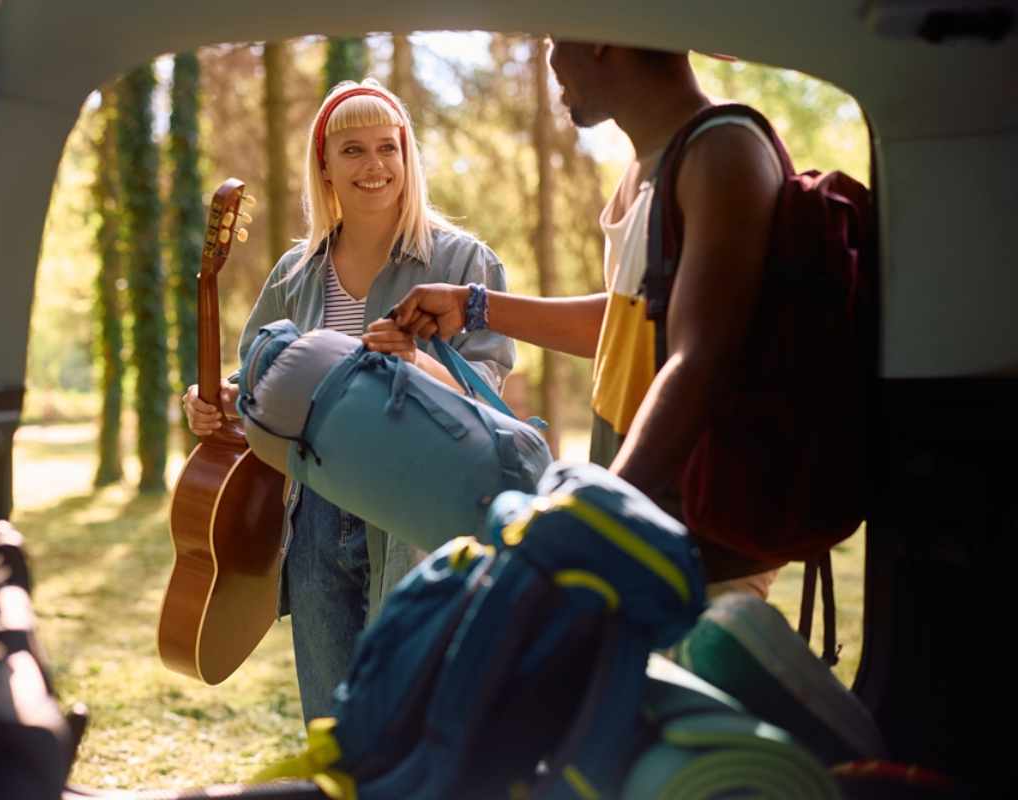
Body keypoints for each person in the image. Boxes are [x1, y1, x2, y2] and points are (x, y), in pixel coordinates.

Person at [380, 42, 785, 600]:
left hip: (700, 543)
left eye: (554, 36)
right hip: (640, 524)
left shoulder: (723, 151)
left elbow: (701, 359)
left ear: (598, 37)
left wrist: (597, 512)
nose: (550, 62)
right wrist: (474, 305)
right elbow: (623, 327)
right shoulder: (643, 171)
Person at [182, 78, 515, 723]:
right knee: (331, 717)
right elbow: (255, 386)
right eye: (353, 150)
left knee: (411, 707)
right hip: (312, 516)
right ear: (325, 167)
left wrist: (415, 361)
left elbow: (488, 394)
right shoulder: (295, 272)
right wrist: (210, 401)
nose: (374, 165)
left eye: (388, 147)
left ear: (408, 158)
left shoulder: (463, 261)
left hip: (417, 514)